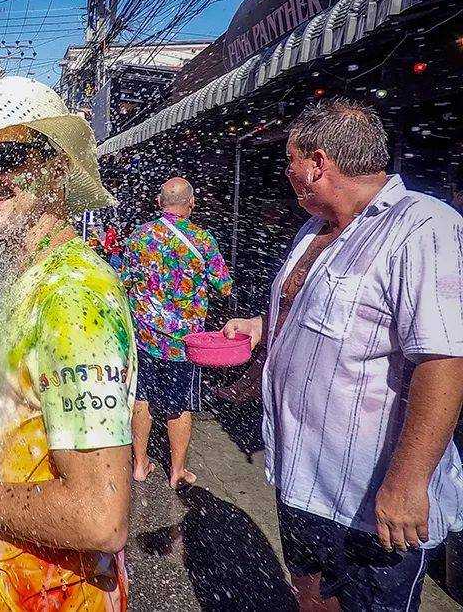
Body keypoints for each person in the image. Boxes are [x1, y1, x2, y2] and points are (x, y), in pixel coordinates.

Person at [223, 98, 463, 611]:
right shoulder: (317, 229)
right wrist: (264, 328)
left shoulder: (423, 226)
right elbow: (341, 320)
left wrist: (408, 481)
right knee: (311, 600)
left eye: (290, 160)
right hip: (302, 480)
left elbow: (443, 360)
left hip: (370, 498)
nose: (286, 173)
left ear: (317, 163)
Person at [0, 76, 135, 610]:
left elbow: (100, 518)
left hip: (57, 594)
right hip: (14, 585)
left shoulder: (73, 296)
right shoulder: (26, 278)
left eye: (6, 156)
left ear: (54, 168)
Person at [121, 177, 232, 489]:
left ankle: (140, 464)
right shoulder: (202, 240)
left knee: (140, 398)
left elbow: (124, 280)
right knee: (179, 404)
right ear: (191, 203)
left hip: (144, 337)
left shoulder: (139, 237)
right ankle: (177, 471)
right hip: (184, 344)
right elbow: (224, 287)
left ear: (159, 202)